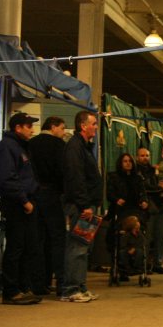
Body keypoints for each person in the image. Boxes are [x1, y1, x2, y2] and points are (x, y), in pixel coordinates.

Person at [0, 113, 42, 306]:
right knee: (16, 248)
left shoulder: (20, 147)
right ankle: (11, 292)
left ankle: (23, 288)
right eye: (28, 126)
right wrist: (24, 201)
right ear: (17, 128)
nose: (32, 129)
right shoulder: (6, 147)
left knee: (29, 247)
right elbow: (7, 179)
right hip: (16, 203)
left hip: (27, 201)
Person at [61, 110, 102, 303]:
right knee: (77, 247)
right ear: (83, 126)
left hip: (87, 206)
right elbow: (75, 177)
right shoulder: (75, 147)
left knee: (83, 247)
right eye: (93, 123)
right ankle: (70, 289)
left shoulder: (84, 147)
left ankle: (81, 286)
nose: (96, 127)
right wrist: (85, 205)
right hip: (81, 207)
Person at [28, 116, 67, 295]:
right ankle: (60, 282)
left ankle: (37, 284)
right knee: (58, 239)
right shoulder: (58, 145)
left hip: (34, 195)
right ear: (53, 127)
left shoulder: (30, 143)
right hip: (52, 193)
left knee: (38, 240)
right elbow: (62, 170)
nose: (64, 132)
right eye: (62, 128)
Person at [136, 147, 163, 275]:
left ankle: (158, 264)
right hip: (147, 209)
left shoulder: (154, 170)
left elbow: (158, 186)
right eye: (142, 156)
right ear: (137, 157)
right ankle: (144, 264)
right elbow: (144, 188)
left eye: (147, 155)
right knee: (146, 238)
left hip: (160, 207)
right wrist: (158, 188)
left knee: (162, 237)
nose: (145, 158)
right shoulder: (137, 172)